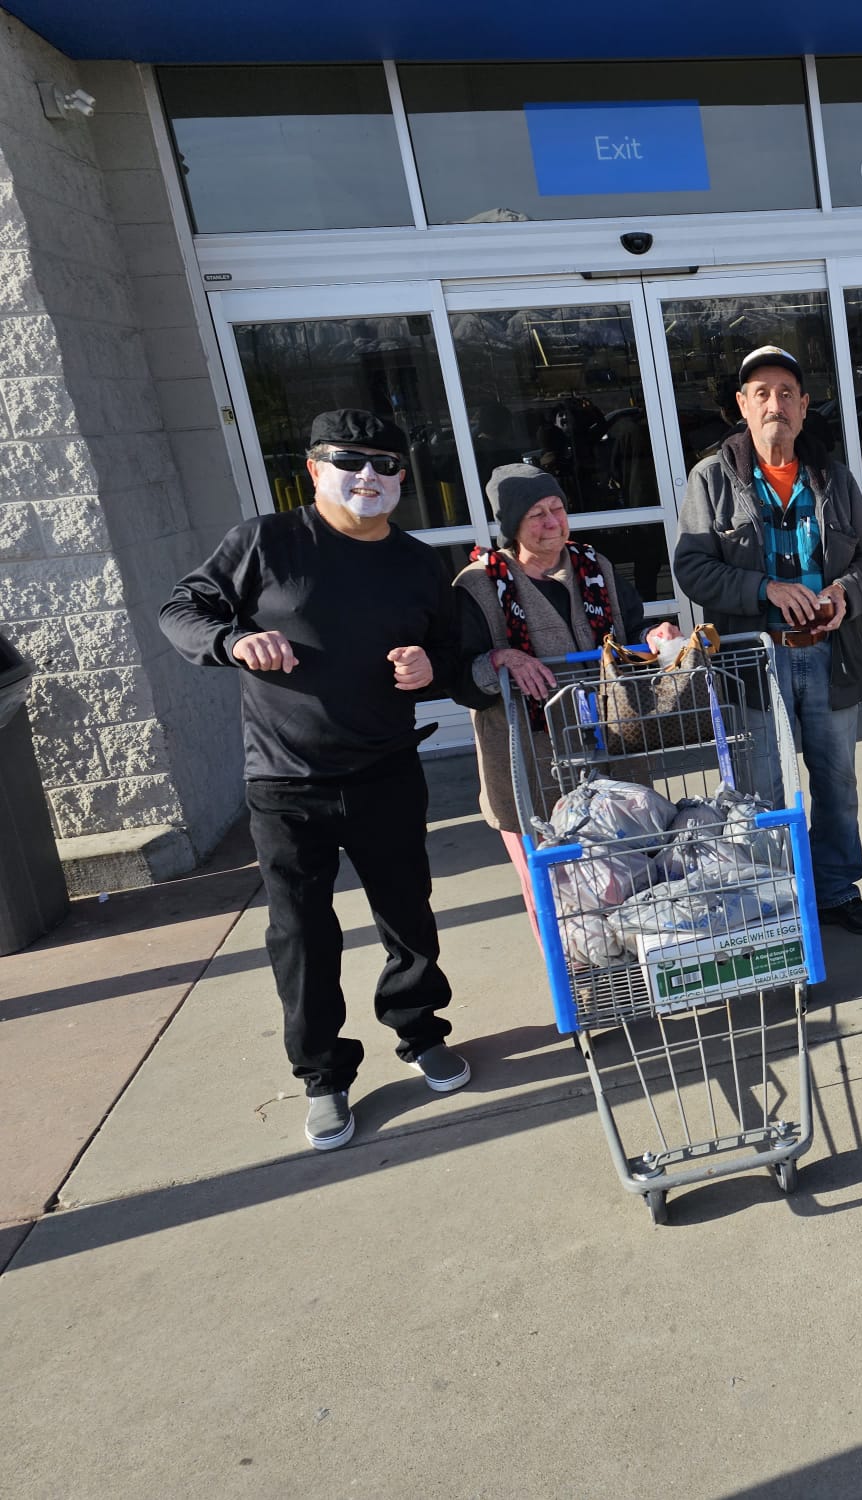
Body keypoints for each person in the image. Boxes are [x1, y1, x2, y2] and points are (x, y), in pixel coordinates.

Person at [159, 409, 469, 1152]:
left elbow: (455, 657)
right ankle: (324, 1075)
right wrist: (234, 640)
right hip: (286, 782)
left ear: (403, 477)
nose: (370, 475)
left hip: (387, 771)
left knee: (408, 917)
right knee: (301, 934)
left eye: (387, 464)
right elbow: (180, 611)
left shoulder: (420, 563)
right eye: (349, 460)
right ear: (314, 470)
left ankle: (421, 1032)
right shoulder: (264, 543)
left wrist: (431, 673)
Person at [673, 345, 862, 935]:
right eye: (762, 393)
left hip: (829, 658)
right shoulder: (712, 478)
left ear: (802, 406)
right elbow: (692, 568)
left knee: (836, 785)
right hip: (755, 664)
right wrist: (765, 589)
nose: (777, 404)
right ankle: (777, 908)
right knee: (763, 795)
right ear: (742, 406)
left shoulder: (833, 476)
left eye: (788, 393)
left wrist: (847, 592)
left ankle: (836, 891)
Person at [453, 465, 681, 919]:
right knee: (553, 888)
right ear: (511, 526)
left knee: (630, 874)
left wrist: (655, 635)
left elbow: (630, 631)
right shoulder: (477, 584)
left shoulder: (595, 567)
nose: (552, 522)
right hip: (529, 765)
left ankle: (625, 976)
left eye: (556, 508)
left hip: (612, 754)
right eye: (535, 514)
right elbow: (459, 676)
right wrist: (500, 659)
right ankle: (575, 984)